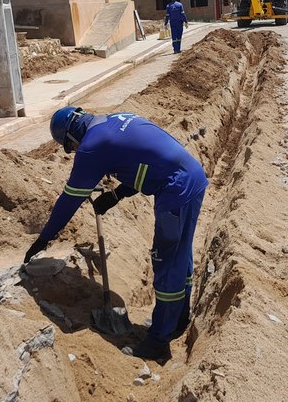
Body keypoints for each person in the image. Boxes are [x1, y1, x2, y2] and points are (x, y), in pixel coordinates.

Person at [24, 107, 209, 361]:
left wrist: (44, 238)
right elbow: (144, 162)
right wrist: (116, 195)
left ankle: (157, 342)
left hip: (175, 190)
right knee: (181, 253)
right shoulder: (116, 120)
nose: (75, 152)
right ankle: (178, 319)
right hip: (191, 178)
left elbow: (69, 200)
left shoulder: (91, 146)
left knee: (167, 261)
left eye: (71, 148)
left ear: (71, 139)